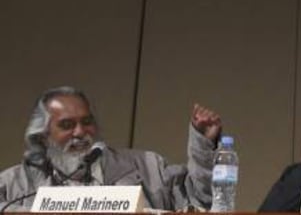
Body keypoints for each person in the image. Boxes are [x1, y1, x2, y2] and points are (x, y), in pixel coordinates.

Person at [0, 86, 222, 212]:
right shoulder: (16, 185)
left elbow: (200, 201)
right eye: (67, 125)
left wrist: (203, 143)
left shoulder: (147, 166)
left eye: (86, 122)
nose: (80, 132)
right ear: (43, 135)